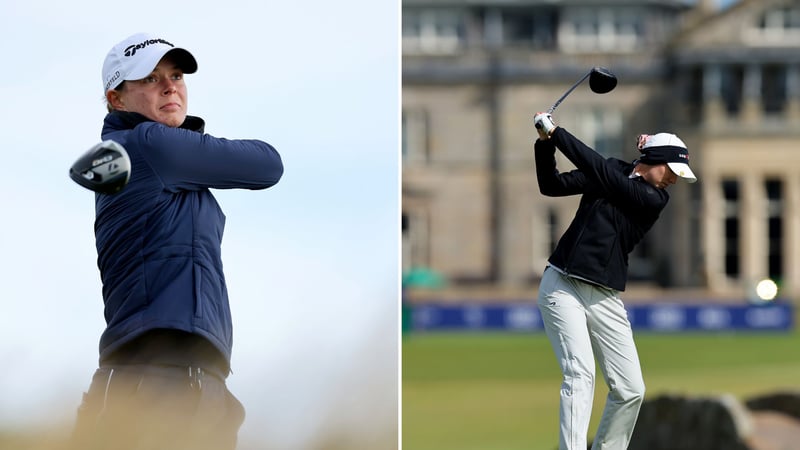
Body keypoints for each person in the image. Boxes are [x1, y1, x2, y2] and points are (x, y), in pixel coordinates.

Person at [69, 32, 284, 450]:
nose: (170, 86)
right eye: (150, 79)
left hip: (193, 374)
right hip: (155, 373)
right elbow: (267, 164)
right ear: (116, 99)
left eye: (177, 75)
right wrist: (191, 142)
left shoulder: (142, 154)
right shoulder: (149, 145)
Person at [532, 112, 696, 450]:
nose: (674, 181)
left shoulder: (654, 199)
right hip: (562, 286)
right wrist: (545, 144)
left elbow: (606, 174)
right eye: (672, 172)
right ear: (656, 161)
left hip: (604, 297)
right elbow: (552, 185)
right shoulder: (614, 171)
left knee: (631, 388)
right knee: (580, 374)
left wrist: (557, 132)